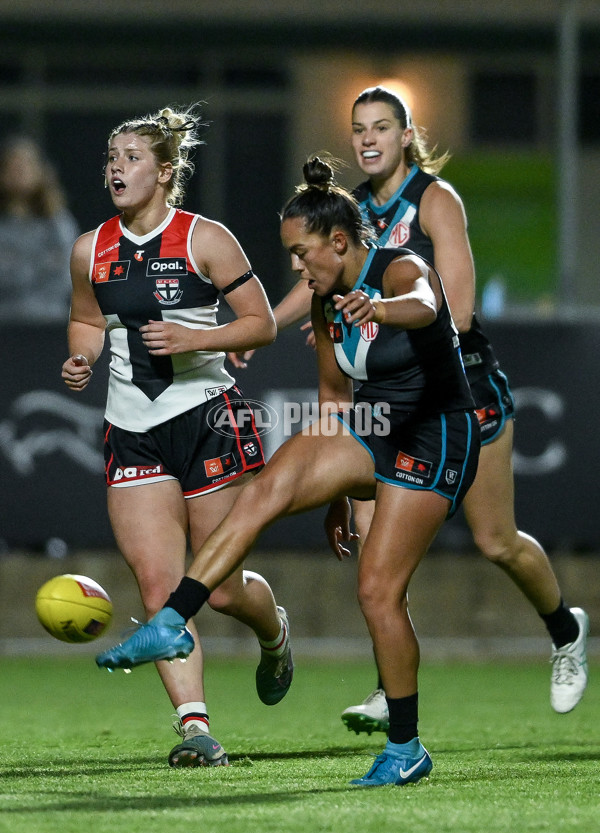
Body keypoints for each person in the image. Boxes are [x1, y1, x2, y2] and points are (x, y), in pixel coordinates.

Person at [95, 155, 481, 788]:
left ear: (337, 241)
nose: (297, 269)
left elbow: (425, 304)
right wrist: (332, 492)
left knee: (377, 590)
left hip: (436, 432)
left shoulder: (397, 267)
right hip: (373, 422)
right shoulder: (330, 302)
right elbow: (333, 400)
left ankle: (407, 746)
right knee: (269, 485)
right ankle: (171, 622)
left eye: (303, 255)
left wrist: (379, 309)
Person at [235, 85, 590, 731]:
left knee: (496, 540)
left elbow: (455, 309)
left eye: (381, 127)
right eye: (358, 128)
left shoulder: (435, 199)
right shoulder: (349, 213)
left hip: (461, 388)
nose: (368, 138)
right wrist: (258, 330)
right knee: (376, 556)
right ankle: (387, 689)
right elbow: (310, 287)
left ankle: (565, 632)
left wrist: (375, 317)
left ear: (406, 135)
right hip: (391, 402)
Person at [61, 105, 293, 769]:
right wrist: (82, 356)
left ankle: (274, 631)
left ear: (164, 172)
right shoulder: (90, 249)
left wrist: (199, 337)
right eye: (111, 157)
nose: (116, 168)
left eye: (131, 157)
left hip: (206, 417)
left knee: (218, 589)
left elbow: (261, 324)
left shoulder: (205, 239)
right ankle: (196, 729)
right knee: (159, 582)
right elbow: (85, 320)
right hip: (131, 426)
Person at [0, 134, 79, 323]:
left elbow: (66, 276)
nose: (19, 172)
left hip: (48, 323)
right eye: (12, 166)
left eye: (26, 165)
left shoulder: (59, 224)